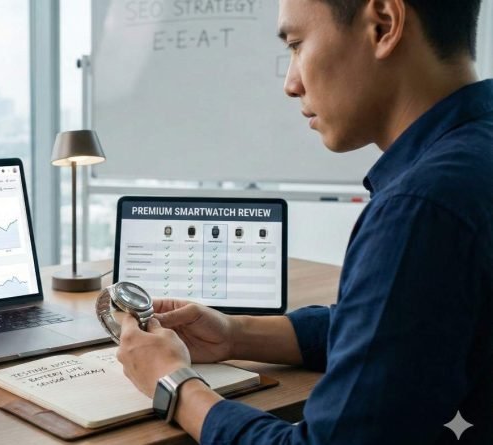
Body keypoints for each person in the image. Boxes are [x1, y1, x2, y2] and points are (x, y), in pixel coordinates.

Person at [116, 0, 493, 443]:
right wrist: (235, 334)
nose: (291, 84)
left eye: (297, 45)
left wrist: (173, 384)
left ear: (383, 25)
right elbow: (394, 328)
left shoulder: (421, 207)